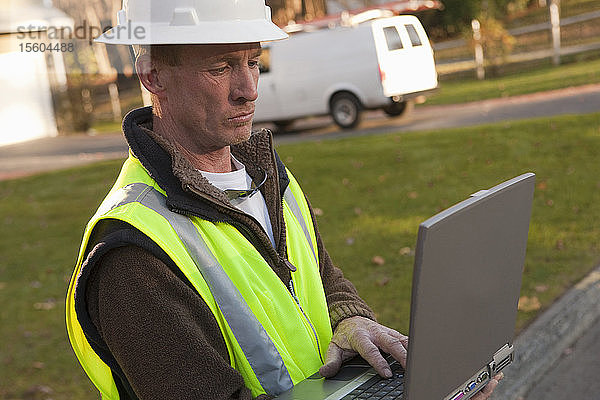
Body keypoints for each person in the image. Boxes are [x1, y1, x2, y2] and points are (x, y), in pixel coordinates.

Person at [66, 1, 502, 399]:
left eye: (253, 62)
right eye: (220, 68)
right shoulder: (132, 252)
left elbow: (319, 273)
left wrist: (349, 319)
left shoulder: (267, 173)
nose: (248, 89)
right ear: (152, 75)